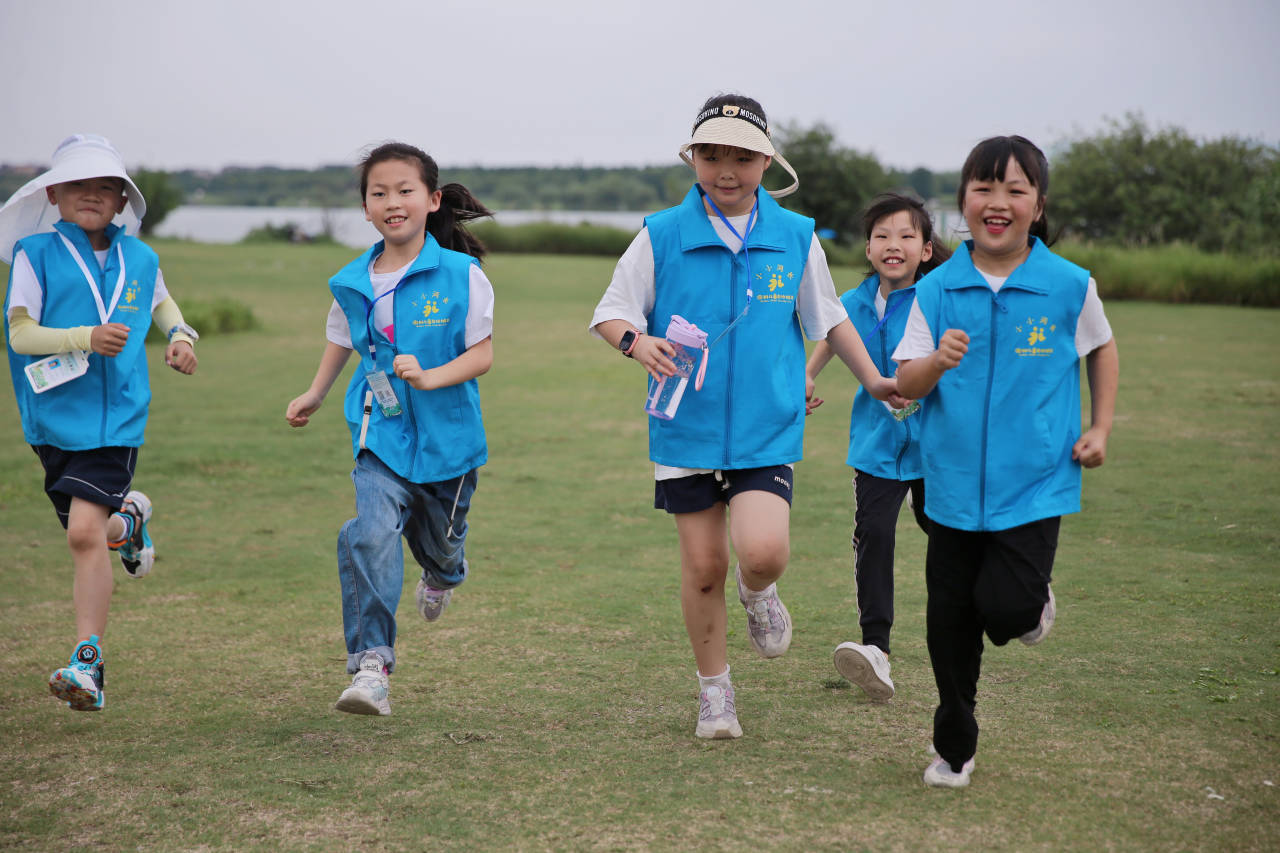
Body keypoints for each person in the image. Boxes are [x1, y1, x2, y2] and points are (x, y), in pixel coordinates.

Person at [590, 94, 902, 739]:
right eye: (710, 155)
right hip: (685, 429)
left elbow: (829, 318)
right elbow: (611, 311)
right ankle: (715, 693)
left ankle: (758, 594)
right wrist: (635, 341)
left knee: (762, 553)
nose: (724, 170)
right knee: (703, 568)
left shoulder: (795, 236)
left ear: (766, 161)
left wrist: (873, 379)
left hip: (766, 428)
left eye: (741, 156)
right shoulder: (661, 234)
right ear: (693, 157)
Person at [893, 135, 1119, 787]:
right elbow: (906, 382)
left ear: (1038, 205)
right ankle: (953, 748)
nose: (998, 203)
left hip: (1036, 481)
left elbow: (1101, 348)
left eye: (1015, 190)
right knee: (949, 623)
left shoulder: (1069, 285)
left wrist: (1100, 426)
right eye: (983, 189)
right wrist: (936, 360)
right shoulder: (935, 291)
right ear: (961, 203)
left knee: (1008, 607)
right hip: (951, 484)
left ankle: (1031, 604)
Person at [285, 142, 494, 717]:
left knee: (442, 547)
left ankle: (445, 571)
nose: (392, 202)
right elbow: (341, 338)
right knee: (370, 533)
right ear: (366, 207)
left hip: (449, 439)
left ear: (431, 200)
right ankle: (371, 665)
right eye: (379, 193)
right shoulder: (352, 282)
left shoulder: (463, 275)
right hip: (380, 431)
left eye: (404, 191)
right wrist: (316, 393)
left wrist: (429, 379)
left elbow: (482, 356)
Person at [1, 134, 200, 712]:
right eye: (79, 184)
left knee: (81, 535)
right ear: (54, 193)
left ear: (121, 201)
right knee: (94, 532)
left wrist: (182, 338)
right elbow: (19, 334)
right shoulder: (33, 255)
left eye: (105, 187)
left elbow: (164, 307)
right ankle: (130, 525)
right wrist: (83, 337)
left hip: (117, 422)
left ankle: (88, 663)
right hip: (53, 420)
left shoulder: (141, 257)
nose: (92, 194)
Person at [805, 193, 951, 701]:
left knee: (949, 533)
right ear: (868, 249)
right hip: (875, 447)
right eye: (882, 236)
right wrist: (806, 375)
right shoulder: (852, 303)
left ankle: (991, 595)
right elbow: (830, 336)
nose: (894, 245)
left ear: (926, 249)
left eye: (907, 236)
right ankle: (876, 650)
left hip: (936, 447)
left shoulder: (939, 299)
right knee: (875, 537)